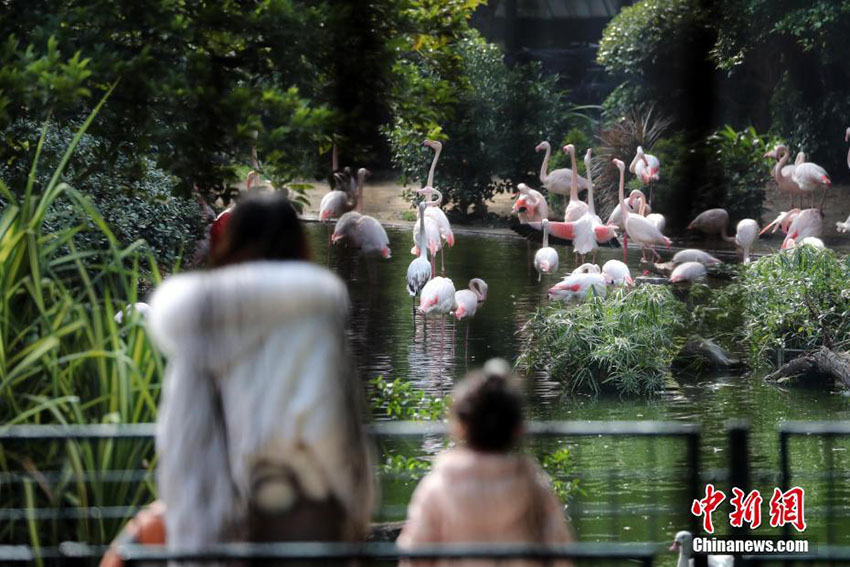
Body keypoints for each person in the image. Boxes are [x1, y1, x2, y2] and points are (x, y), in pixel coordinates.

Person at [146, 192, 374, 555]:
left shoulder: (198, 324)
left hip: (205, 528)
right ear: (298, 242)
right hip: (290, 537)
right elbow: (331, 436)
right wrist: (352, 514)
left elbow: (175, 438)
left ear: (231, 239)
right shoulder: (311, 323)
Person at [397, 359, 573, 566]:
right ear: (517, 429)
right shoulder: (537, 490)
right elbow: (560, 558)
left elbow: (413, 559)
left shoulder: (436, 488)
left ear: (461, 426)